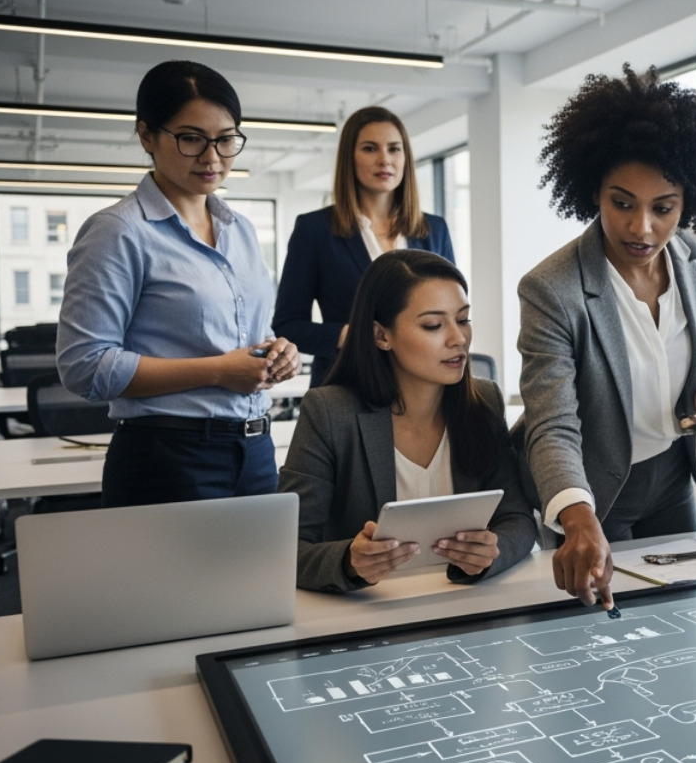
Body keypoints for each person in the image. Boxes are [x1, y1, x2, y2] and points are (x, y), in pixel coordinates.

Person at [516, 65, 696, 609]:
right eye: (622, 203)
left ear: (690, 201)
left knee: (688, 616)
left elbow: (672, 355)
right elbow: (551, 424)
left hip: (671, 479)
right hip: (595, 491)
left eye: (663, 208)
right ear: (593, 190)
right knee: (601, 634)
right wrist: (576, 514)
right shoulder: (553, 289)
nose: (642, 228)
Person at [57, 60, 299, 507]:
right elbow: (85, 366)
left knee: (259, 579)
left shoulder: (240, 229)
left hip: (255, 448)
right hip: (168, 456)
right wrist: (218, 370)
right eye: (191, 139)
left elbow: (241, 336)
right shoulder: (119, 231)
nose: (212, 157)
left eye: (226, 140)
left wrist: (276, 353)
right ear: (147, 136)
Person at [280, 250, 535, 592]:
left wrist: (493, 550)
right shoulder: (329, 413)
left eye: (463, 320)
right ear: (381, 336)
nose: (458, 339)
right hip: (369, 614)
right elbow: (288, 548)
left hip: (463, 602)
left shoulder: (483, 401)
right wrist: (348, 562)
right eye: (433, 325)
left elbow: (517, 519)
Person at [274, 106, 454, 387]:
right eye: (370, 149)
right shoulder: (315, 229)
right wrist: (349, 335)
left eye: (394, 149)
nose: (385, 159)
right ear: (350, 158)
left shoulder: (433, 229)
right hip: (347, 385)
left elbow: (450, 313)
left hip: (422, 388)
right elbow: (288, 325)